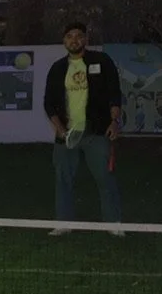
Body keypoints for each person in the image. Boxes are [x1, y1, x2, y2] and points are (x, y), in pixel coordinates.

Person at [43, 21, 123, 231]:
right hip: (67, 134)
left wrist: (114, 122)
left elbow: (114, 95)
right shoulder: (58, 68)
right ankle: (64, 224)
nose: (74, 40)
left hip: (96, 131)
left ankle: (113, 224)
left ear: (86, 39)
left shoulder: (102, 61)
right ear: (64, 41)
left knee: (105, 178)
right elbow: (49, 103)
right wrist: (61, 130)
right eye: (69, 36)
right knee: (63, 180)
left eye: (79, 36)